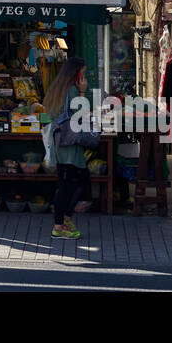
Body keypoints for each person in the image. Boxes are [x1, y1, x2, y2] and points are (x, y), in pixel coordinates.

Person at [43, 57, 100, 239]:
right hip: (70, 142)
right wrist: (83, 93)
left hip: (61, 141)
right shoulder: (73, 90)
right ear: (76, 73)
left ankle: (65, 219)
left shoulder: (56, 89)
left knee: (71, 182)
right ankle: (59, 225)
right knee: (72, 185)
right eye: (82, 73)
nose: (83, 77)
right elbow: (80, 116)